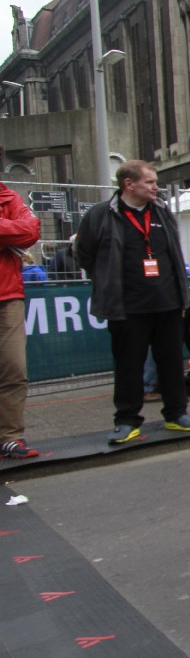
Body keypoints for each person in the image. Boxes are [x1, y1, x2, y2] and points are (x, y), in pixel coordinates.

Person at [76, 161, 190, 444]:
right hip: (126, 307)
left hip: (168, 303)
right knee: (129, 366)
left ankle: (176, 414)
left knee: (171, 363)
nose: (156, 187)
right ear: (129, 184)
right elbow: (84, 253)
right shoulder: (101, 214)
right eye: (149, 182)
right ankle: (127, 420)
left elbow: (173, 250)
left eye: (155, 182)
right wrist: (105, 279)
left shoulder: (161, 211)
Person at [0, 179, 42, 459]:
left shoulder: (8, 196)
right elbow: (20, 231)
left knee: (14, 368)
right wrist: (7, 233)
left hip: (8, 296)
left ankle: (10, 437)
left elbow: (31, 231)